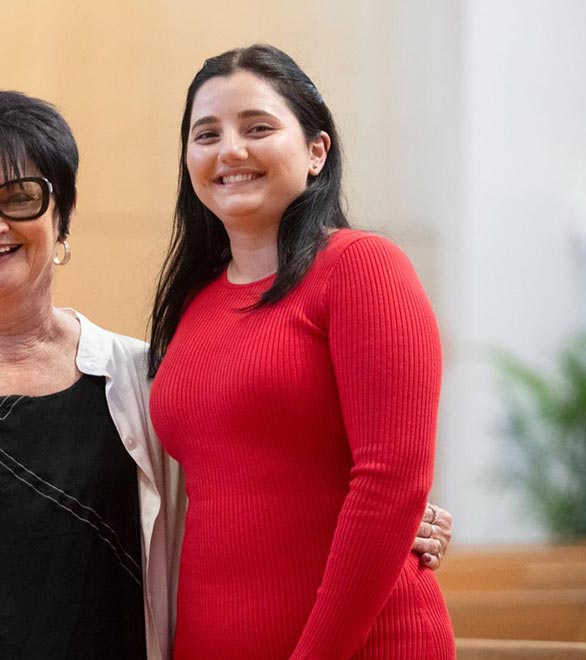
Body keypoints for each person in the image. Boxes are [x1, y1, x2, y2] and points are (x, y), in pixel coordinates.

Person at [0, 90, 450, 660]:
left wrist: (391, 519)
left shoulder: (142, 378)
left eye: (19, 196)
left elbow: (244, 496)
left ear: (62, 218)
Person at [148, 44, 455, 658]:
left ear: (317, 151)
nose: (230, 150)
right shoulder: (193, 304)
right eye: (205, 134)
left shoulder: (362, 268)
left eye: (257, 127)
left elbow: (389, 483)